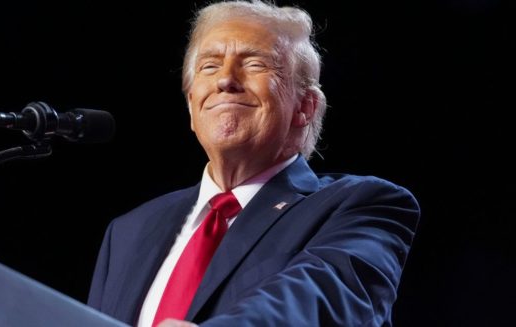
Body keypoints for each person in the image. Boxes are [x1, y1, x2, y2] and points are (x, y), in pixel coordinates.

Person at [87, 1, 420, 326]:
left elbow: (316, 297)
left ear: (304, 106)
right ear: (191, 106)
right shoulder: (128, 231)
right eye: (210, 66)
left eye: (255, 64)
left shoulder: (362, 206)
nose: (225, 80)